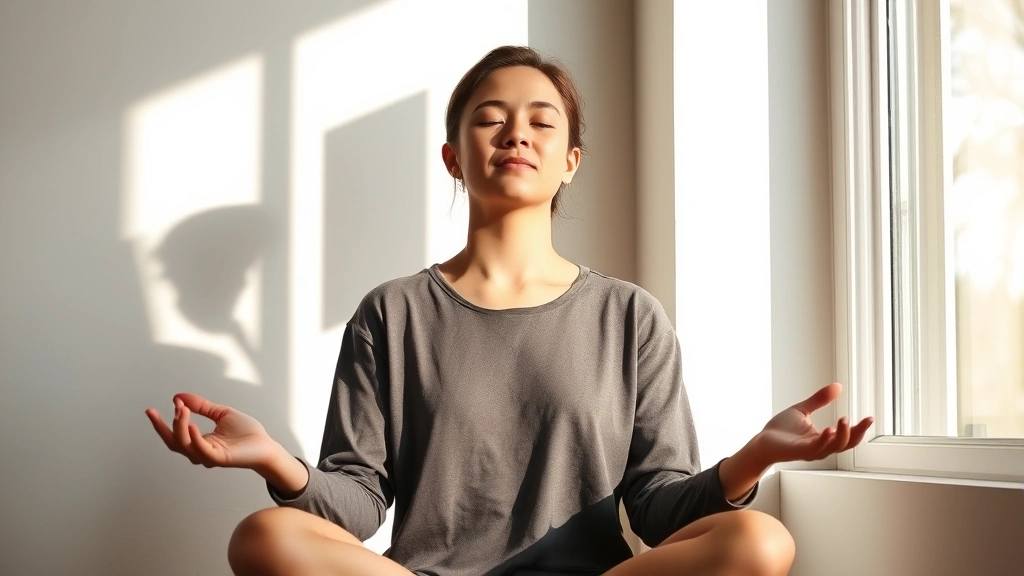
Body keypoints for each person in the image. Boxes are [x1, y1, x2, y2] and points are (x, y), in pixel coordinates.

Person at [146, 45, 873, 576]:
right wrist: (275, 459)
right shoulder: (392, 313)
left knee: (763, 544)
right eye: (490, 120)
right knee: (262, 538)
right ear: (454, 157)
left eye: (541, 122)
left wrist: (757, 455)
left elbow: (657, 507)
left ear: (570, 161)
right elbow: (359, 504)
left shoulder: (629, 316)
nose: (516, 134)